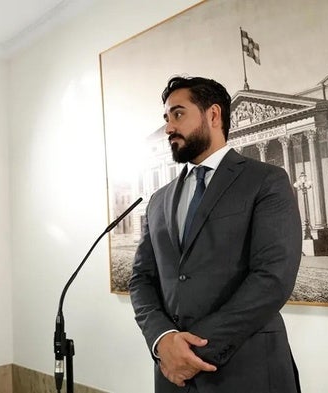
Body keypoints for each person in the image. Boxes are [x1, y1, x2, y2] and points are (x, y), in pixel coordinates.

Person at [129, 76, 302, 393]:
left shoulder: (266, 180)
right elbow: (141, 279)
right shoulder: (157, 201)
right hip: (172, 376)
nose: (169, 128)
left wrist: (190, 352)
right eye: (166, 118)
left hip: (248, 372)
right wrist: (162, 339)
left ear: (213, 115)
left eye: (178, 114)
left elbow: (273, 277)